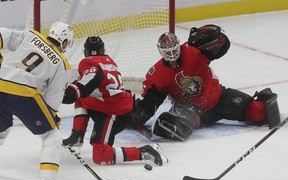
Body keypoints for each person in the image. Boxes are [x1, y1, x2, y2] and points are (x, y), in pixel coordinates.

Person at [129, 24, 280, 141]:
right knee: (171, 125)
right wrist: (135, 116)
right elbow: (150, 103)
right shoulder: (158, 74)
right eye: (167, 53)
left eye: (174, 50)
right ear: (160, 52)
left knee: (258, 111)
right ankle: (183, 120)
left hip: (219, 98)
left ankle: (263, 100)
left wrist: (209, 34)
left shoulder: (194, 51)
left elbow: (223, 44)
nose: (172, 55)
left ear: (179, 46)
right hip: (192, 110)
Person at [62, 36, 168, 166]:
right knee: (80, 94)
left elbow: (93, 77)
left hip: (112, 113)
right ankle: (77, 136)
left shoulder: (87, 62)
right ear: (103, 49)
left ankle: (144, 151)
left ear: (85, 52)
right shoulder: (109, 61)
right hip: (119, 106)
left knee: (100, 156)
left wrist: (68, 93)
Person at [0, 21, 74, 180]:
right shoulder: (62, 63)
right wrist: (53, 119)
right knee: (52, 136)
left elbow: (3, 34)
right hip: (24, 92)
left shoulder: (31, 35)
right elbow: (52, 100)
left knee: (1, 131)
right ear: (64, 42)